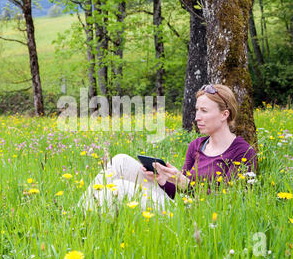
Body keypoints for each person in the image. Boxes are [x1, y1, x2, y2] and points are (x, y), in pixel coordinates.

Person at [78, 84, 257, 213]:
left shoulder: (242, 152)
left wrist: (184, 183)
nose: (197, 117)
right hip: (176, 202)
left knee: (118, 187)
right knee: (120, 160)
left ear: (224, 115)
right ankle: (77, 216)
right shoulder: (196, 145)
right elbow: (178, 192)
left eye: (204, 111)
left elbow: (232, 203)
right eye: (197, 111)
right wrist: (164, 180)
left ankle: (88, 219)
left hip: (195, 214)